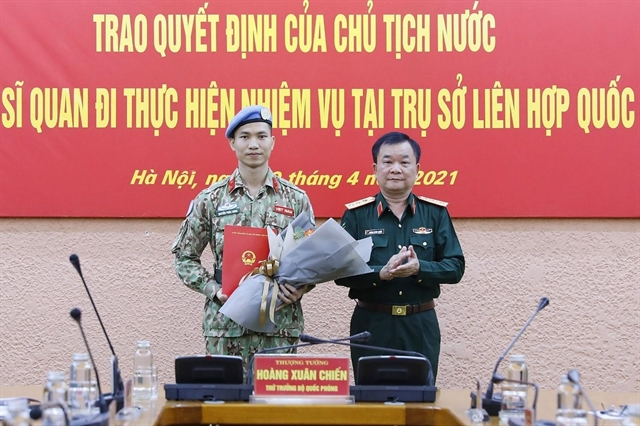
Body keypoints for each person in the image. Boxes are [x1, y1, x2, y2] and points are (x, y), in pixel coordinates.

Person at [171, 105, 315, 375]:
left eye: (261, 136)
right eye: (245, 136)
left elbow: (311, 259)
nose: (253, 144)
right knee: (225, 409)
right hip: (226, 326)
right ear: (232, 143)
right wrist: (213, 289)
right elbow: (183, 258)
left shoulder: (296, 200)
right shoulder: (211, 199)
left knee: (276, 411)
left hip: (279, 324)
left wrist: (301, 288)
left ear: (272, 142)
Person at [335, 131, 464, 382]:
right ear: (375, 168)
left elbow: (456, 266)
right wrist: (379, 274)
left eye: (404, 162)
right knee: (371, 404)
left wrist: (420, 268)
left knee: (419, 406)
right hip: (371, 325)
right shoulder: (356, 215)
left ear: (417, 168)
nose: (396, 169)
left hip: (420, 324)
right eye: (387, 162)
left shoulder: (435, 214)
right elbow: (340, 272)